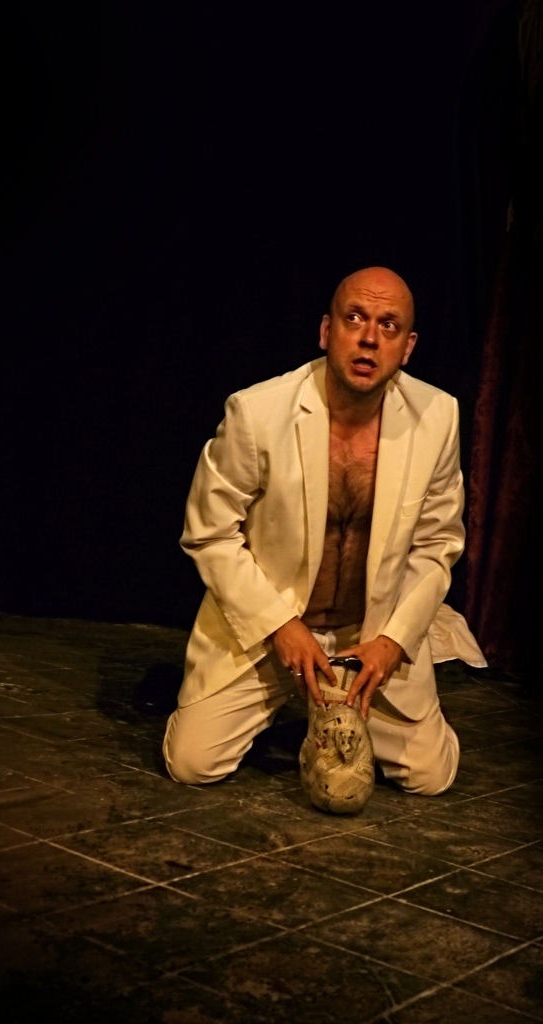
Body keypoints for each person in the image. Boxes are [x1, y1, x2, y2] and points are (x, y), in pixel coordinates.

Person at [163, 265, 482, 797]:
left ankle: (360, 693)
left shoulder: (437, 417)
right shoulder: (258, 413)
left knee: (432, 777)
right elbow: (209, 533)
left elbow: (437, 544)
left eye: (388, 325)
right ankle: (302, 700)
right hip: (273, 628)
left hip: (369, 634)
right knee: (192, 763)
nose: (369, 338)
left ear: (407, 347)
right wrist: (279, 625)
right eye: (354, 318)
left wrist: (395, 640)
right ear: (326, 331)